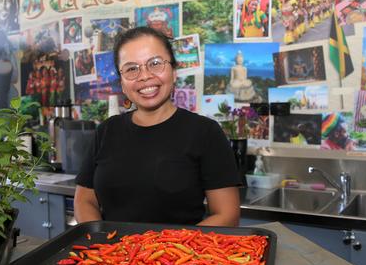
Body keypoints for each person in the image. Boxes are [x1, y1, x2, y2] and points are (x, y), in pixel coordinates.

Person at [75, 26, 242, 226]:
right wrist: (100, 241)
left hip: (178, 254)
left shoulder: (205, 132)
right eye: (131, 69)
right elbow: (84, 200)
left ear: (174, 72)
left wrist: (162, 251)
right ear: (122, 83)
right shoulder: (106, 131)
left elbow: (227, 214)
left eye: (155, 63)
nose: (144, 76)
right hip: (111, 253)